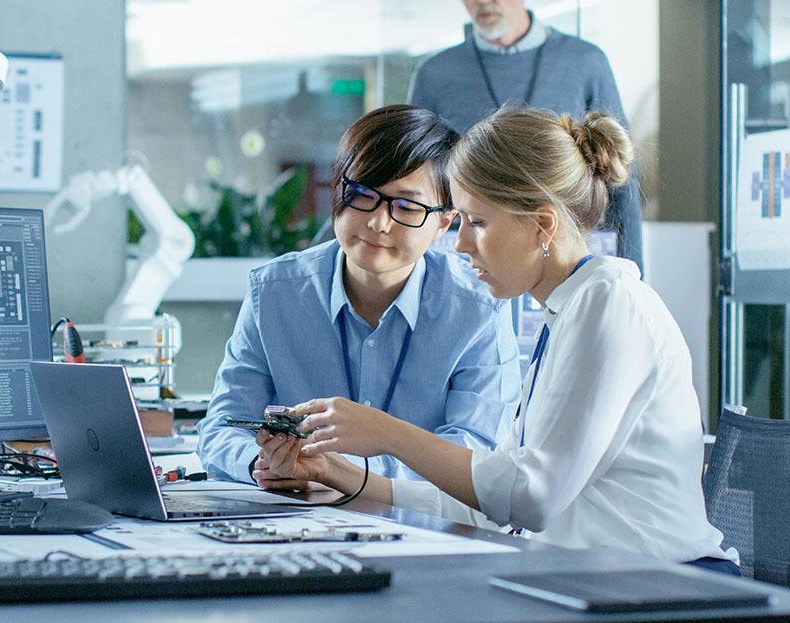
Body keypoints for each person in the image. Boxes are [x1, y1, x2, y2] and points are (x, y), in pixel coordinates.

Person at [254, 107, 738, 574]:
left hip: (664, 588)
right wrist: (345, 476)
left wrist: (385, 432)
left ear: (543, 226)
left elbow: (530, 499)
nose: (461, 244)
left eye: (477, 223)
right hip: (594, 582)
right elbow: (496, 504)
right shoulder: (567, 311)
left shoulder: (611, 304)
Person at [196, 104, 521, 486]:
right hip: (297, 522)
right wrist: (260, 463)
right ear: (338, 189)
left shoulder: (479, 307)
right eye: (363, 193)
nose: (376, 222)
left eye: (406, 206)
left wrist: (342, 474)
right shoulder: (273, 293)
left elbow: (476, 449)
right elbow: (220, 426)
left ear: (443, 223)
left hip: (422, 529)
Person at [409, 0, 643, 270]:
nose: (482, 2)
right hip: (468, 258)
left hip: (561, 255)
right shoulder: (435, 73)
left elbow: (620, 176)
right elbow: (417, 179)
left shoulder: (585, 62)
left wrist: (631, 270)